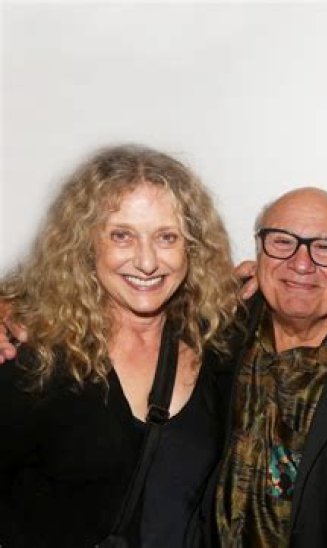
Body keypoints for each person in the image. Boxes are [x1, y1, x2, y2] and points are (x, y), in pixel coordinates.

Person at [0, 144, 241, 547]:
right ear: (84, 242)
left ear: (193, 247)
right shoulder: (31, 355)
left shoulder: (219, 345)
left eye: (167, 237)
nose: (147, 262)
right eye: (122, 236)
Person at [211, 187, 327, 548]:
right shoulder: (220, 331)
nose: (301, 263)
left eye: (324, 247)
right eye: (282, 242)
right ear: (259, 250)